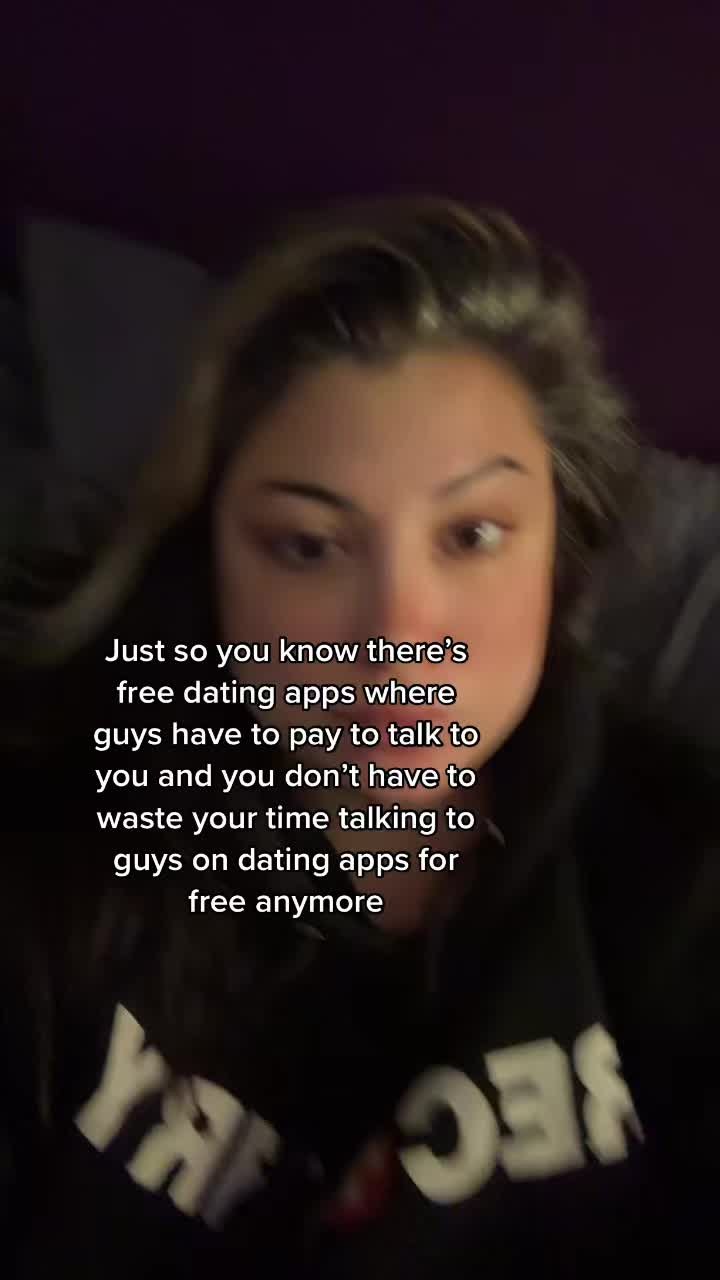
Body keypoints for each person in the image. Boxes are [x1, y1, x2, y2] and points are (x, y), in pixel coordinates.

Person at [1, 197, 718, 1278]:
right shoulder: (58, 821)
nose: (397, 634)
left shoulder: (679, 877)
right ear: (214, 569)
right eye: (307, 545)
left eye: (473, 534)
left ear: (562, 554)